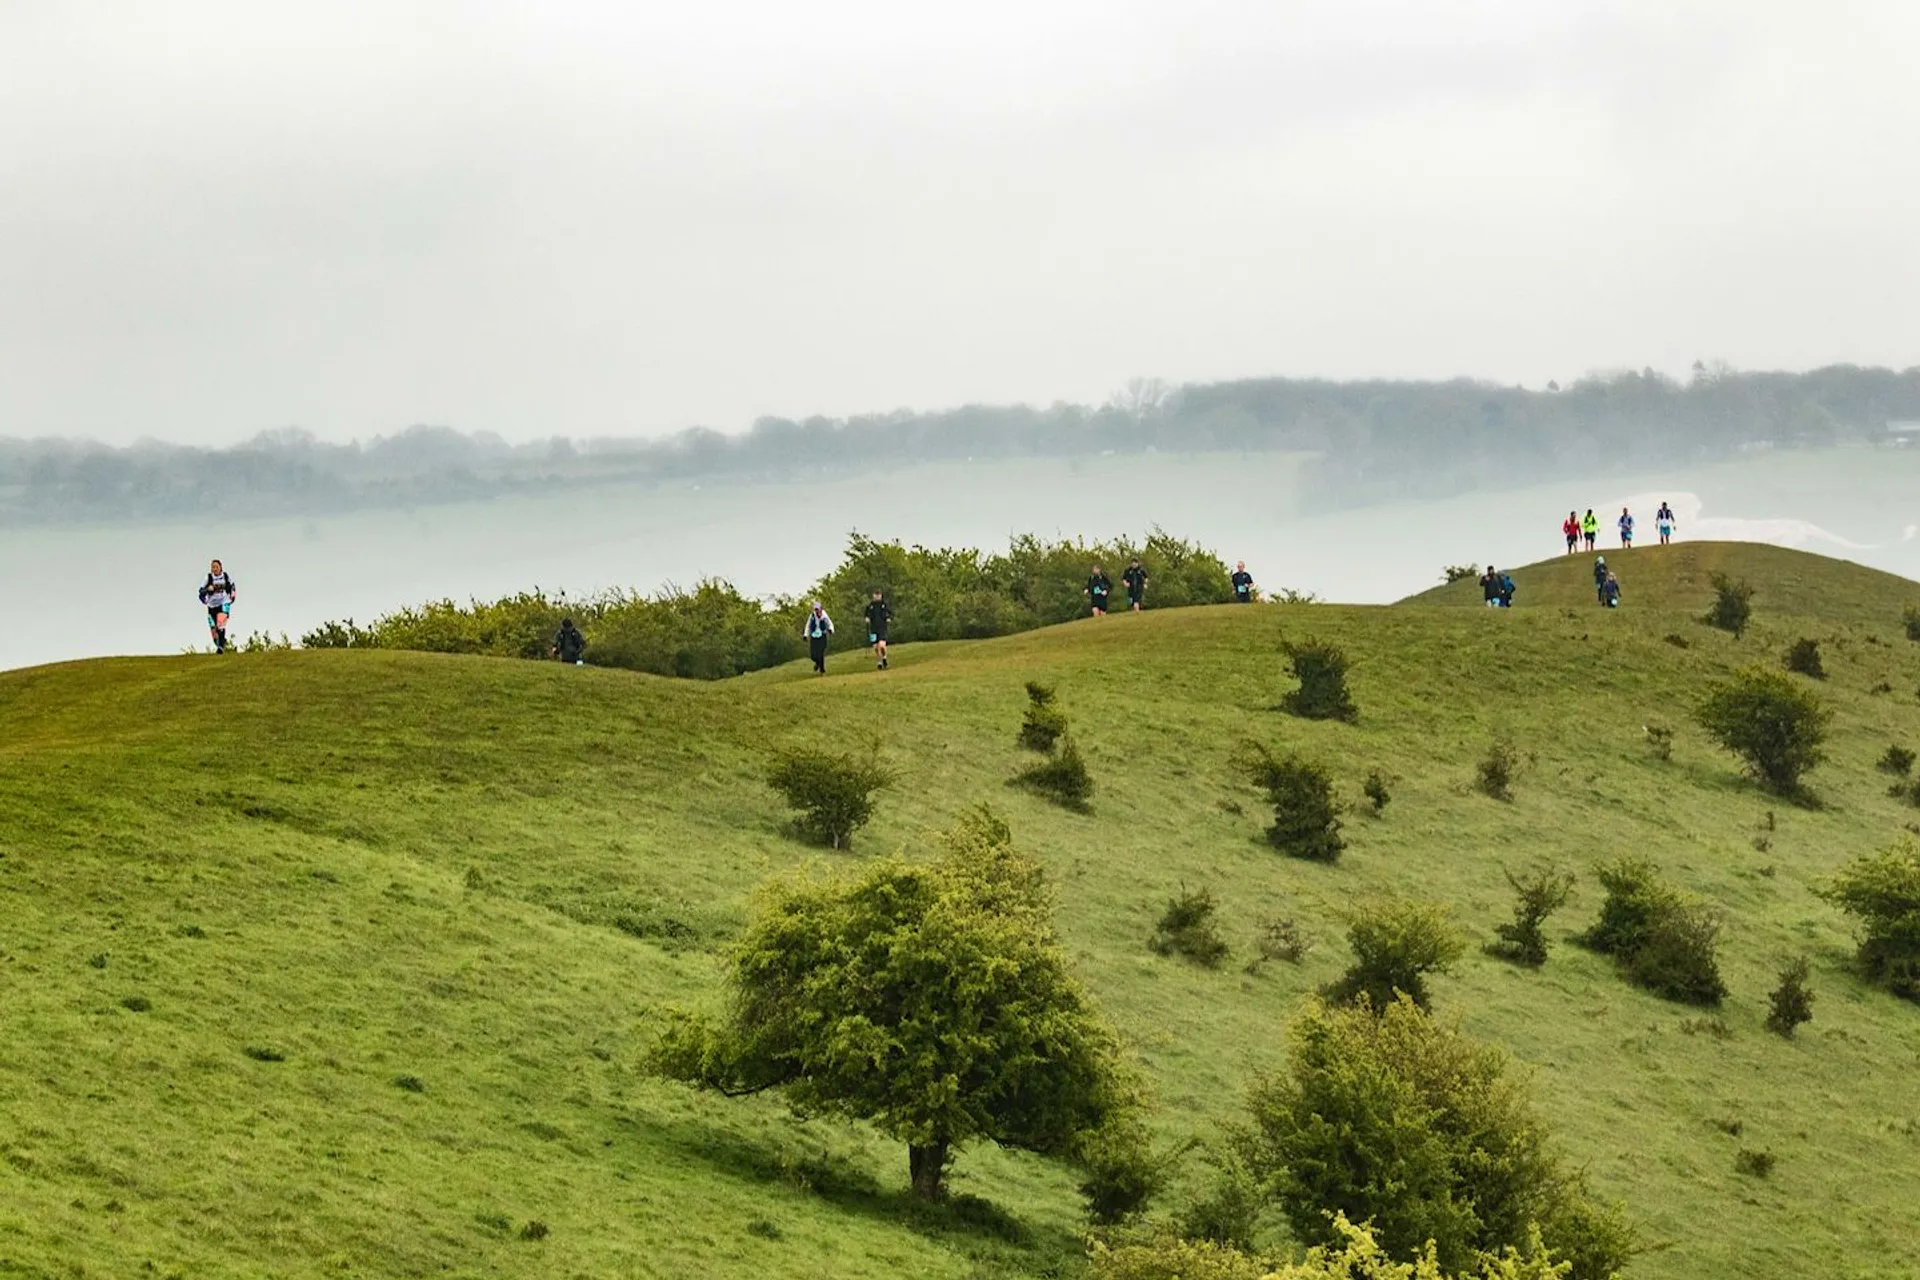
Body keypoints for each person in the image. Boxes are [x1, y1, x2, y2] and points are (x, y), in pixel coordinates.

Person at [198, 559, 237, 653]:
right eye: (213, 567)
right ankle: (222, 644)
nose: (215, 569)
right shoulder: (208, 578)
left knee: (220, 624)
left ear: (220, 568)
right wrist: (208, 589)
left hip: (224, 602)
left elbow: (232, 587)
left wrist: (232, 597)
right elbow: (200, 591)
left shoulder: (225, 576)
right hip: (211, 606)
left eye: (216, 567)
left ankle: (221, 647)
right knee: (214, 631)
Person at [802, 601, 835, 674]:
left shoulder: (824, 616)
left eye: (818, 609)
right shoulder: (812, 616)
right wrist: (805, 635)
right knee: (813, 655)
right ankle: (817, 663)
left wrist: (831, 630)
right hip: (814, 636)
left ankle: (822, 669)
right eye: (815, 609)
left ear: (821, 609)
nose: (816, 611)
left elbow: (829, 623)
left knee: (820, 653)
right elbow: (808, 625)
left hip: (822, 636)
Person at [864, 589, 893, 670]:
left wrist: (888, 618)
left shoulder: (884, 605)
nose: (877, 596)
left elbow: (890, 613)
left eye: (878, 594)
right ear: (873, 596)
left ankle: (884, 658)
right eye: (876, 595)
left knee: (882, 645)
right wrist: (867, 619)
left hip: (882, 628)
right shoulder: (870, 606)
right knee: (876, 647)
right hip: (873, 629)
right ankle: (879, 662)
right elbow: (867, 615)